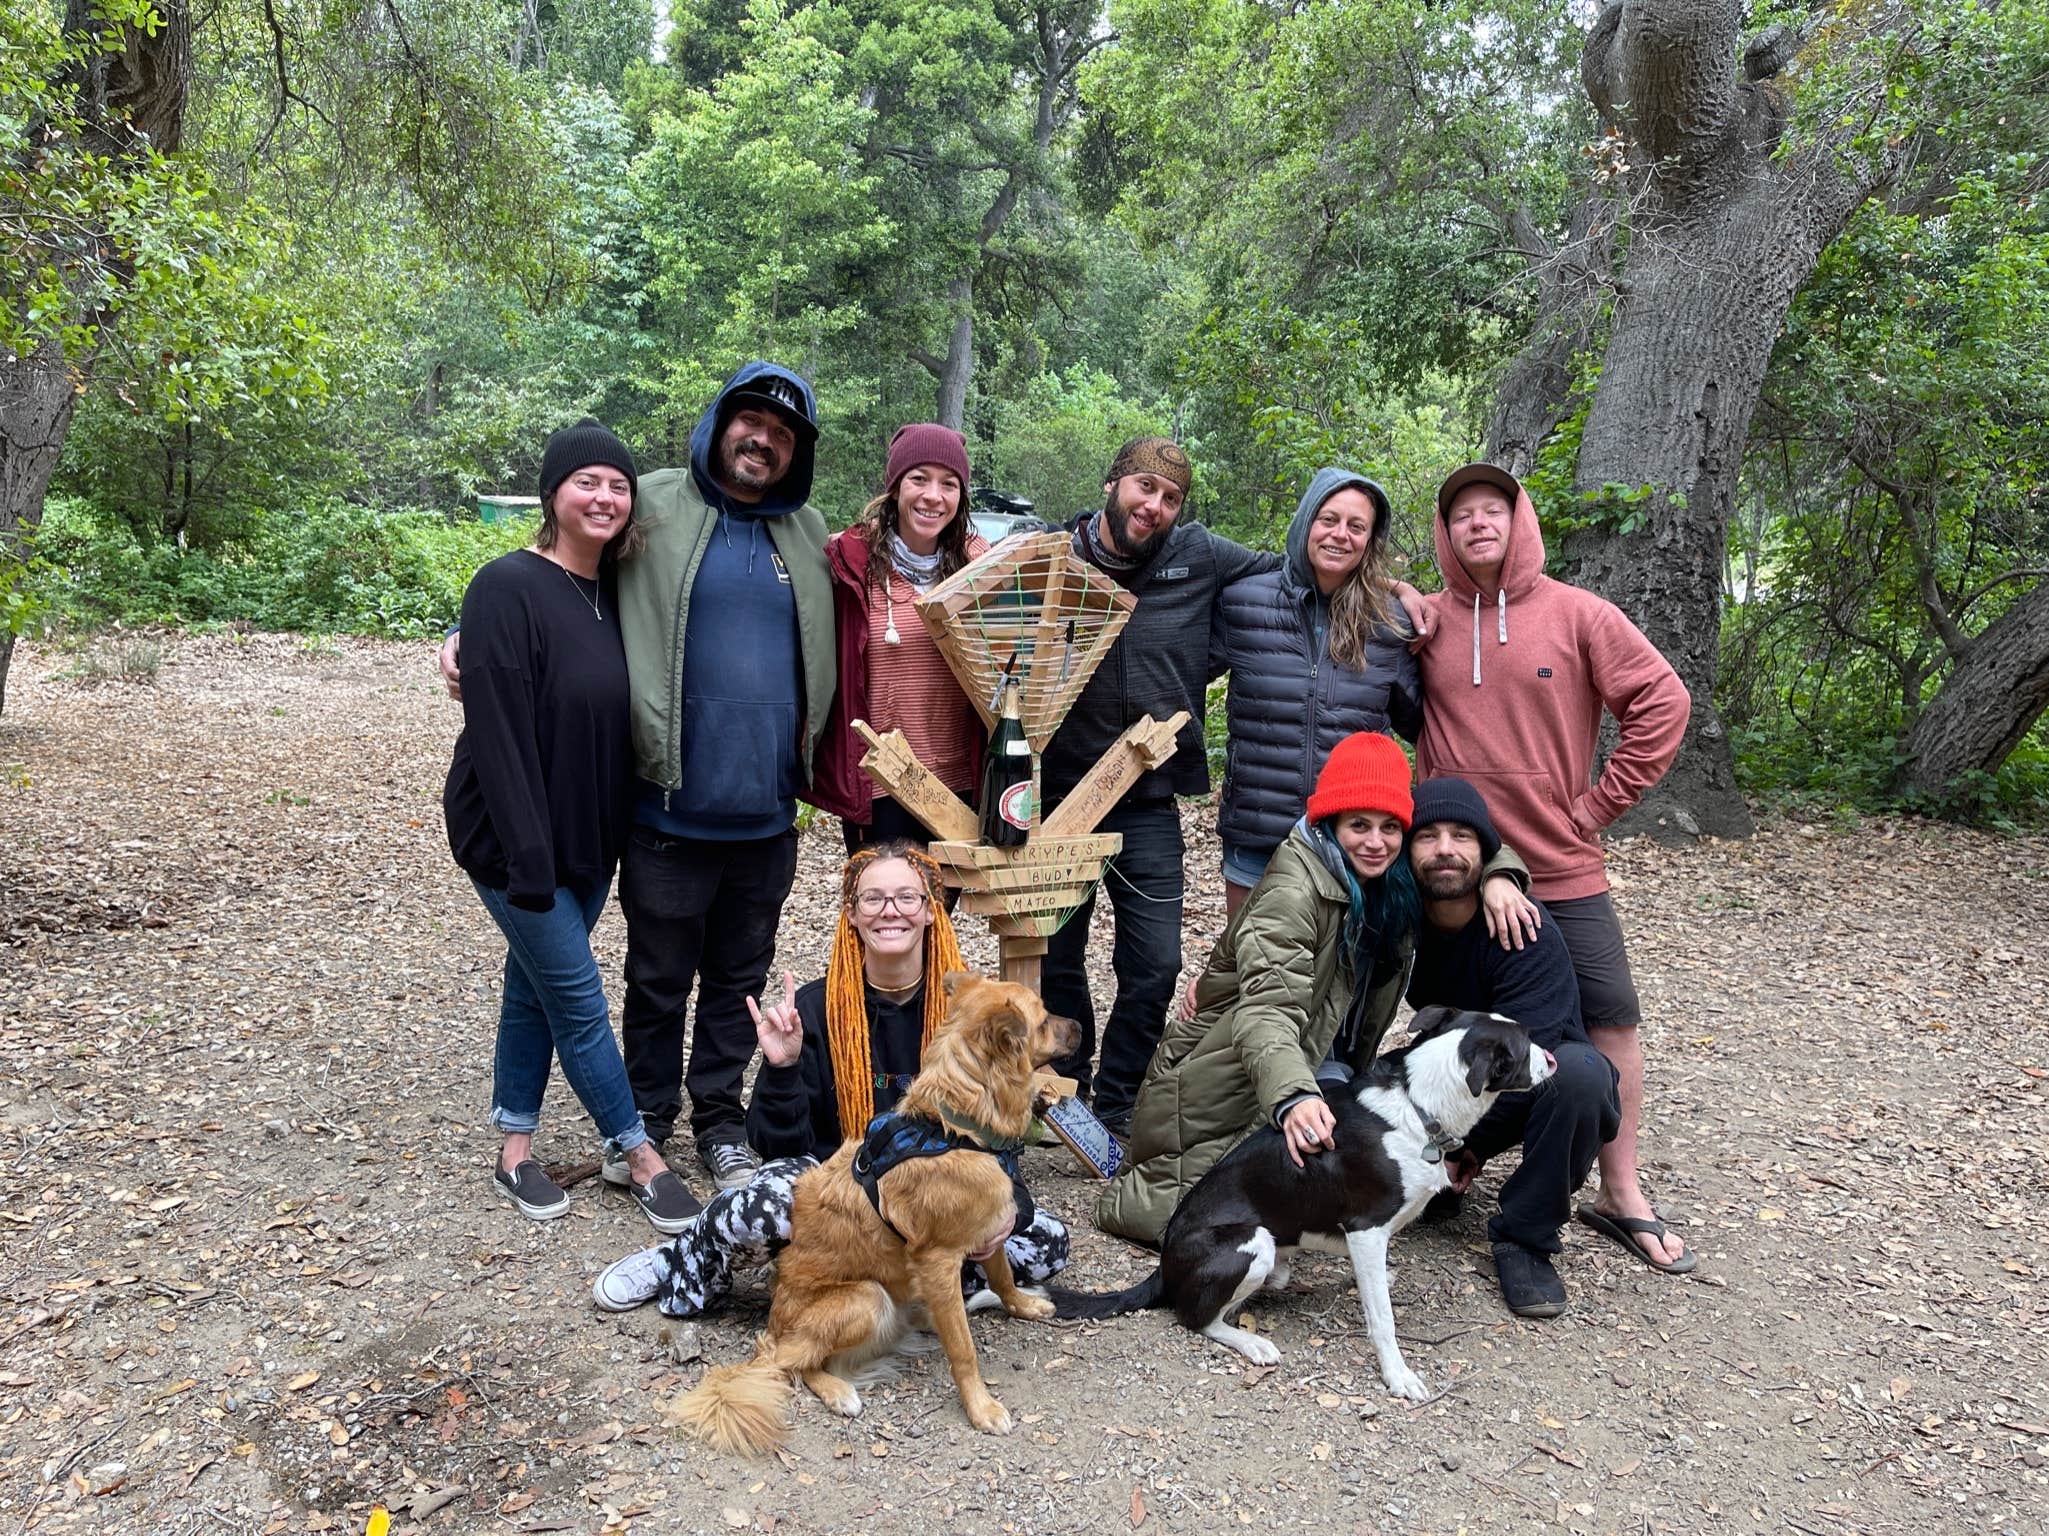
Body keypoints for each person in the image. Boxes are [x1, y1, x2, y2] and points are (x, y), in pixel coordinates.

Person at [442, 362, 834, 1198]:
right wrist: (462, 632)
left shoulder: (809, 535)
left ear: (796, 451)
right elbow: (546, 569)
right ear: (719, 422)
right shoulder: (649, 502)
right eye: (749, 420)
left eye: (782, 432)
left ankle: (720, 1122)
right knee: (655, 981)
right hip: (664, 805)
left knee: (736, 979)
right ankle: (645, 1124)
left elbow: (883, 591)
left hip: (765, 812)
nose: (761, 439)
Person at [1412, 463, 1695, 1273]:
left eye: (1492, 509)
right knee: (1454, 1023)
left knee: (1606, 1025)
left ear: (1518, 520)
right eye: (1460, 513)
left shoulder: (1577, 614)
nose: (1477, 522)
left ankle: (1619, 1190)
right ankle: (1441, 1157)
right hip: (1453, 874)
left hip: (1561, 863)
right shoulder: (1429, 621)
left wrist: (1595, 806)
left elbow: (1662, 702)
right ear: (1446, 533)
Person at [589, 842, 1070, 1315]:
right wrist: (783, 1068)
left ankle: (891, 1291)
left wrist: (1012, 1210)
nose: (890, 912)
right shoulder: (818, 1009)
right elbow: (776, 1148)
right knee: (762, 1208)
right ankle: (681, 1258)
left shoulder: (970, 1013)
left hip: (929, 1193)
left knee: (1046, 1241)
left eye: (907, 897)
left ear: (930, 912)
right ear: (853, 915)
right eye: (873, 899)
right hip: (837, 1193)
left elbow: (997, 1135)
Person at [1095, 732, 1531, 1246]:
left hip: (1320, 1058)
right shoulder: (1294, 889)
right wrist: (1294, 1098)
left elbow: (1454, 859)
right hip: (1229, 1078)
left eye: (1391, 827)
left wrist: (1502, 874)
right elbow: (1267, 1015)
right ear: (1329, 823)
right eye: (1359, 825)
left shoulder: (1386, 882)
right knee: (1191, 1222)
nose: (1376, 842)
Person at [442, 418, 699, 1235]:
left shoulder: (615, 597)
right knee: (580, 998)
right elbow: (499, 734)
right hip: (512, 841)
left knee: (536, 986)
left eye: (618, 485)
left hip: (590, 839)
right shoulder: (505, 585)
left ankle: (513, 1150)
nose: (604, 496)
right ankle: (639, 1153)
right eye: (586, 481)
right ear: (553, 494)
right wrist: (528, 862)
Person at [1038, 437, 1282, 1138]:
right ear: (1112, 481)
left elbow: (1285, 573)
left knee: (1156, 961)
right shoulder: (1052, 552)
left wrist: (1394, 588)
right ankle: (1067, 1092)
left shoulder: (1199, 555)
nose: (1154, 506)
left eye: (1170, 498)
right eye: (1144, 487)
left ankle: (1117, 1099)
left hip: (1148, 794)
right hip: (1059, 794)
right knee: (1059, 953)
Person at [1397, 777, 1622, 1317]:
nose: (1445, 849)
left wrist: (1465, 1148)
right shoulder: (1396, 922)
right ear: (1407, 850)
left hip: (1530, 1081)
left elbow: (1530, 1060)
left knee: (1581, 1076)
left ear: (1486, 851)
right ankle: (1429, 1180)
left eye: (1462, 836)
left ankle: (1524, 1238)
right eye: (1428, 836)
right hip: (1443, 1083)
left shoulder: (1523, 928)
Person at [1212, 467, 1423, 919]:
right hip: (1257, 833)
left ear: (1371, 540)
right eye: (1329, 519)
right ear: (1307, 520)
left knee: (1339, 981)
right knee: (1251, 976)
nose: (1340, 535)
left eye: (1356, 526)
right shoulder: (1242, 601)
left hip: (1349, 840)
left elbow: (1428, 723)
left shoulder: (1390, 622)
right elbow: (1179, 675)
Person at [809, 424, 990, 850]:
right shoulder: (852, 565)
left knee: (938, 913)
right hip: (882, 783)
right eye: (919, 478)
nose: (933, 496)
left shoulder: (979, 567)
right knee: (887, 911)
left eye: (949, 483)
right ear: (895, 487)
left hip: (960, 781)